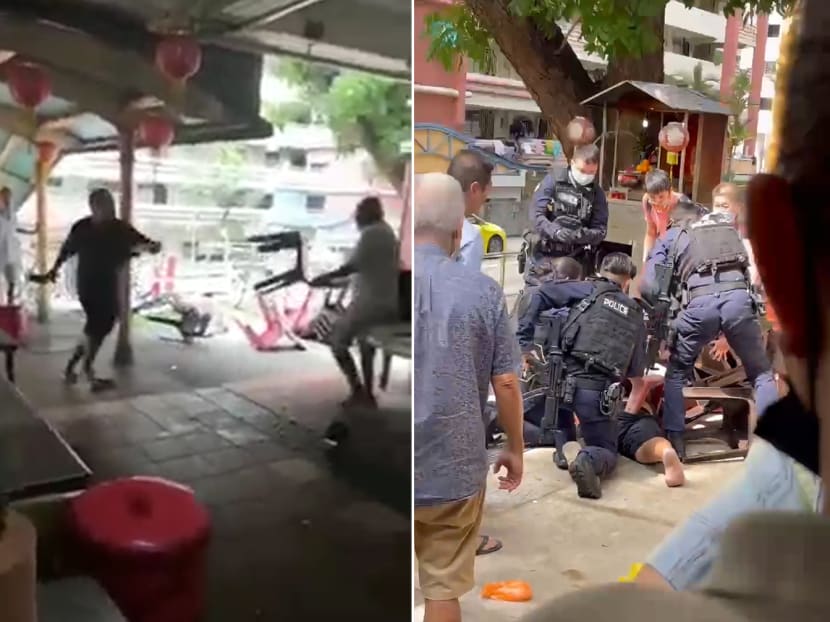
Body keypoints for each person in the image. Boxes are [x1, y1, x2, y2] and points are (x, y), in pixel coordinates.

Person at [520, 2, 830, 618]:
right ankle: (670, 452)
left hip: (627, 375)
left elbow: (651, 302)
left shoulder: (637, 262)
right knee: (758, 382)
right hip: (730, 319)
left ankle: (676, 447)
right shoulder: (792, 471)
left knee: (642, 404)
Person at [414, 173, 523, 622]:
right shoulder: (482, 291)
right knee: (441, 585)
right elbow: (508, 383)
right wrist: (514, 447)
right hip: (452, 469)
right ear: (459, 231)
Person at [641, 197, 777, 460]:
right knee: (761, 374)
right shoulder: (726, 230)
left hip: (700, 308)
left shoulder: (674, 235)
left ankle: (675, 441)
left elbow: (650, 286)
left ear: (676, 220)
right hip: (739, 303)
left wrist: (665, 321)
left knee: (677, 373)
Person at [517, 252, 649, 499]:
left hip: (561, 384)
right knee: (606, 450)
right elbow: (634, 370)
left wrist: (524, 344)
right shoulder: (635, 314)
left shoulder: (585, 289)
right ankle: (587, 459)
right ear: (627, 282)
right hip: (597, 394)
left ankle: (564, 451)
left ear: (601, 271)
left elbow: (538, 294)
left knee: (562, 420)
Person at [44, 188, 161, 391]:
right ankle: (87, 371)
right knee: (98, 326)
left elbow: (143, 242)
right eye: (104, 205)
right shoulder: (82, 228)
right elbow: (66, 250)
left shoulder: (119, 228)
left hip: (107, 284)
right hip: (87, 285)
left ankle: (74, 368)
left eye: (110, 205)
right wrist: (54, 270)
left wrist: (153, 246)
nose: (109, 209)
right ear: (94, 207)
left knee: (95, 328)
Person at [310, 196, 399, 408]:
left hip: (369, 304)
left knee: (337, 342)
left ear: (366, 214)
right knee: (365, 345)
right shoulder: (387, 233)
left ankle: (358, 390)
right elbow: (364, 271)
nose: (356, 218)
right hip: (387, 302)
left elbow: (351, 267)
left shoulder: (371, 234)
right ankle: (367, 394)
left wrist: (324, 278)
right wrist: (332, 281)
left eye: (358, 213)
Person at [525, 144, 608, 284]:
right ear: (572, 163)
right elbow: (536, 215)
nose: (586, 176)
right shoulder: (553, 181)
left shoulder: (597, 193)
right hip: (544, 257)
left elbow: (600, 230)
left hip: (576, 260)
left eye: (591, 172)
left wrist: (580, 235)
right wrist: (555, 231)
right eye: (582, 170)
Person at [447, 149, 493, 270]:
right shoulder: (470, 239)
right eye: (488, 189)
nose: (487, 197)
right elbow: (465, 287)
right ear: (475, 189)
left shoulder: (421, 218)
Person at [640, 169, 688, 263]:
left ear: (670, 192)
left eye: (661, 197)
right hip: (662, 250)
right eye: (653, 197)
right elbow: (651, 233)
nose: (657, 201)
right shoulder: (647, 201)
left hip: (679, 254)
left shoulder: (682, 204)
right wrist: (645, 260)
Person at [0, 187, 35, 305]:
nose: (6, 199)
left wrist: (32, 231)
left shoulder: (12, 214)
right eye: (4, 197)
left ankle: (10, 303)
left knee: (12, 279)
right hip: (1, 249)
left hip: (11, 250)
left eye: (8, 197)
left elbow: (14, 228)